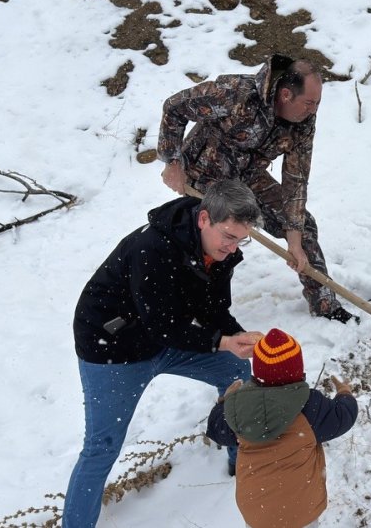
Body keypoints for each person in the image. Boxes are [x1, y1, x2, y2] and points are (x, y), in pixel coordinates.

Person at [63, 179, 265, 528]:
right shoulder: (152, 248)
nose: (233, 247)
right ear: (204, 219)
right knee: (102, 447)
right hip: (113, 347)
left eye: (241, 239)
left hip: (164, 339)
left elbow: (214, 308)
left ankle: (241, 462)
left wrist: (237, 336)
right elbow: (163, 324)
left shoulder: (217, 252)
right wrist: (221, 341)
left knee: (235, 371)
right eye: (229, 236)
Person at [157, 54, 356, 324]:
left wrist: (294, 239)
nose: (314, 110)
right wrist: (172, 161)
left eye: (317, 103)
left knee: (303, 226)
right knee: (208, 241)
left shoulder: (303, 123)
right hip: (203, 176)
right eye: (309, 103)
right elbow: (175, 107)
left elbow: (295, 180)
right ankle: (184, 314)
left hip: (247, 178)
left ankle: (324, 305)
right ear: (286, 95)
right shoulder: (235, 94)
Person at [206, 328, 358, 528]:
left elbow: (215, 429)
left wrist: (225, 402)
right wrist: (344, 393)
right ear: (297, 370)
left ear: (258, 372)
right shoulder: (310, 406)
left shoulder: (239, 407)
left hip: (256, 511)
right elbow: (343, 417)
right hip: (301, 511)